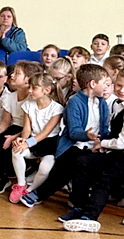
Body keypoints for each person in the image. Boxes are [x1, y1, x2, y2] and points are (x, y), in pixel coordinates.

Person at [21, 64, 109, 209]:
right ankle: (42, 194)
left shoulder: (102, 103)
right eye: (104, 84)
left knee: (85, 163)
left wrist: (102, 143)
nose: (106, 87)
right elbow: (74, 132)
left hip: (95, 146)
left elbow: (104, 128)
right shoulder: (74, 102)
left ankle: (74, 199)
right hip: (74, 144)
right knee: (69, 163)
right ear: (93, 84)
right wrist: (87, 135)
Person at [62, 73, 124, 232]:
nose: (121, 90)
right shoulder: (117, 104)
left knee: (105, 179)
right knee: (83, 161)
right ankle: (79, 206)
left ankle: (89, 216)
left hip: (122, 154)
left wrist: (102, 144)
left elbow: (122, 142)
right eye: (119, 86)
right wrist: (103, 144)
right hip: (115, 150)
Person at [0, 60, 43, 194]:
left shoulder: (32, 100)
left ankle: (25, 170)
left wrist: (16, 136)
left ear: (27, 81)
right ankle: (2, 177)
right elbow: (5, 122)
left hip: (29, 131)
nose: (12, 76)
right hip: (14, 127)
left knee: (9, 147)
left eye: (17, 73)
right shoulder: (9, 98)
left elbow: (30, 127)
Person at [9, 74, 63, 203]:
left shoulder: (57, 109)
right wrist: (22, 140)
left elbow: (45, 133)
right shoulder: (28, 105)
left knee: (45, 168)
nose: (30, 91)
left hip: (49, 143)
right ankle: (21, 184)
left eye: (34, 88)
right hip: (33, 139)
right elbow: (27, 129)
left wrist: (27, 143)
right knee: (16, 150)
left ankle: (31, 189)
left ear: (47, 90)